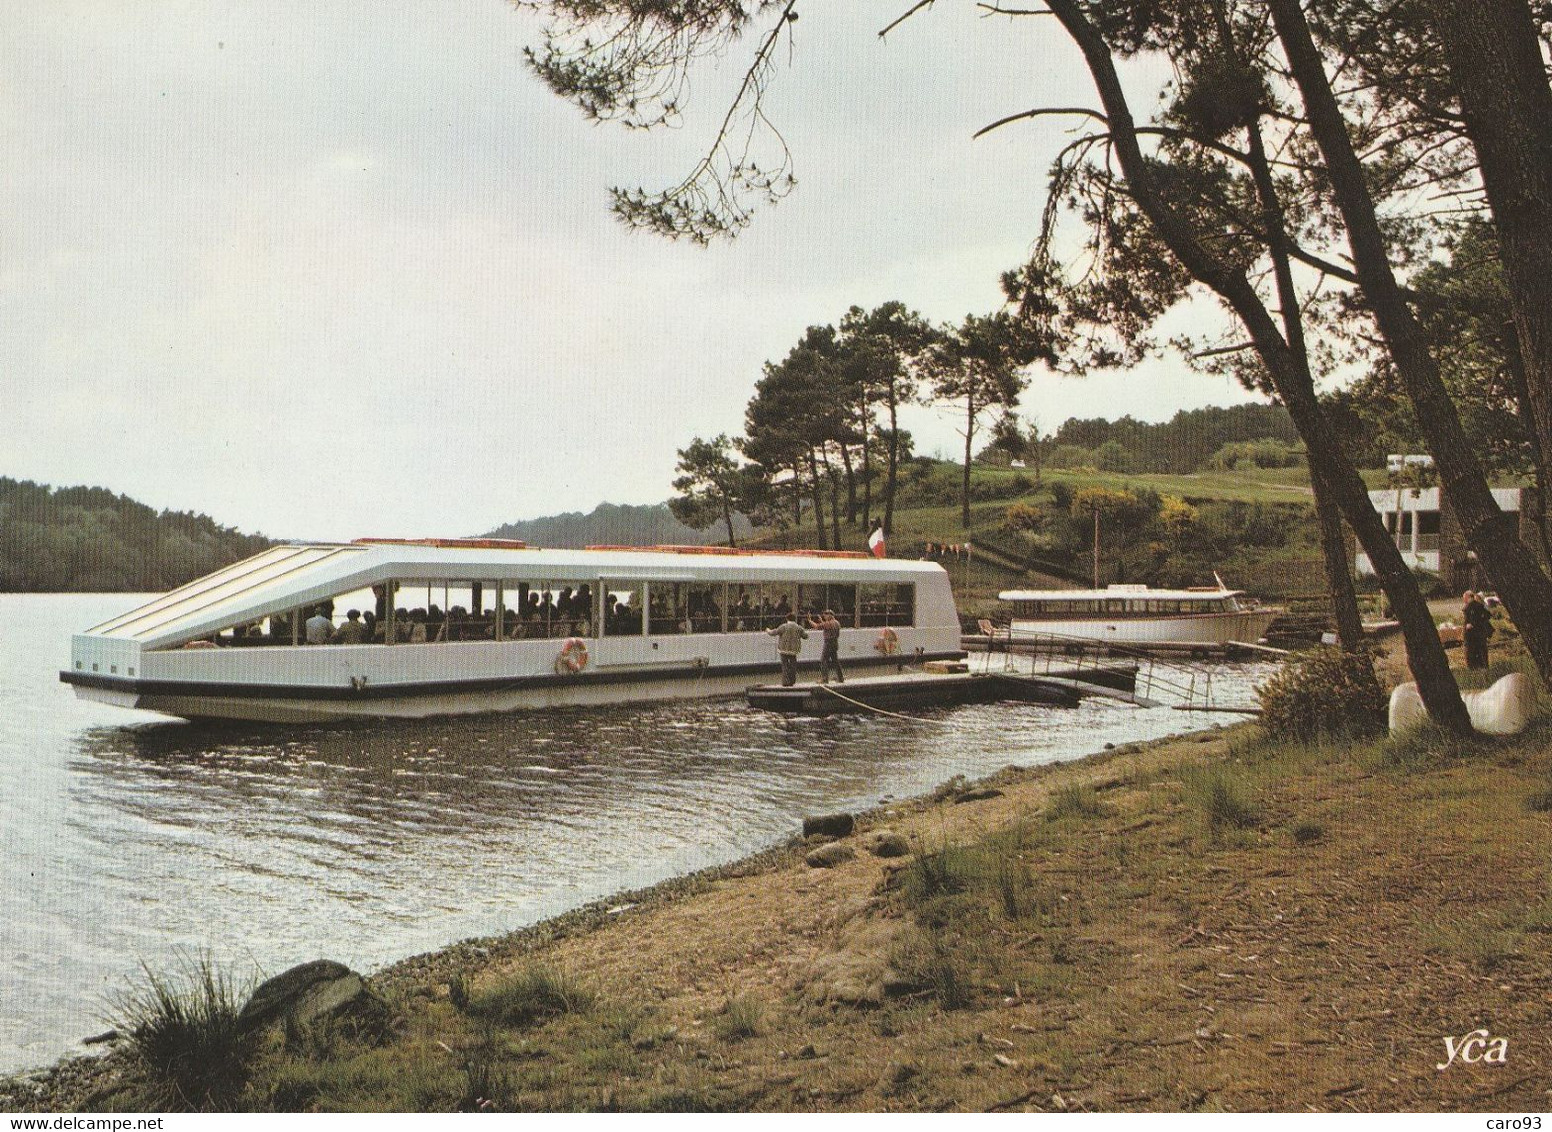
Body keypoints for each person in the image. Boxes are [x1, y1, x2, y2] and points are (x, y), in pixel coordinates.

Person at [767, 612, 808, 686]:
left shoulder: (783, 626)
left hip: (783, 649)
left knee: (785, 666)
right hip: (794, 650)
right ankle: (792, 681)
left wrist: (768, 630)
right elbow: (805, 636)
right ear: (795, 619)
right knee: (793, 666)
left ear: (787, 619)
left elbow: (774, 633)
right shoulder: (798, 627)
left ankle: (785, 682)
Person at [807, 608, 845, 685]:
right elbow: (826, 626)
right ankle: (840, 678)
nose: (824, 617)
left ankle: (824, 679)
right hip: (835, 643)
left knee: (823, 660)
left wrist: (809, 620)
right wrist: (822, 621)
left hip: (828, 643)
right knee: (835, 661)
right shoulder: (837, 622)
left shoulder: (829, 623)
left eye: (825, 615)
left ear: (829, 615)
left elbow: (817, 626)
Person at [1462, 589, 1493, 670]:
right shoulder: (1480, 605)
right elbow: (1488, 615)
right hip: (1481, 632)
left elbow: (1468, 621)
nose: (1464, 600)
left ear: (1468, 597)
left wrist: (1473, 624)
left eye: (1464, 598)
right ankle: (1483, 666)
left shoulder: (1469, 607)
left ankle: (1473, 667)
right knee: (1481, 650)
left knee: (1471, 651)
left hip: (1472, 634)